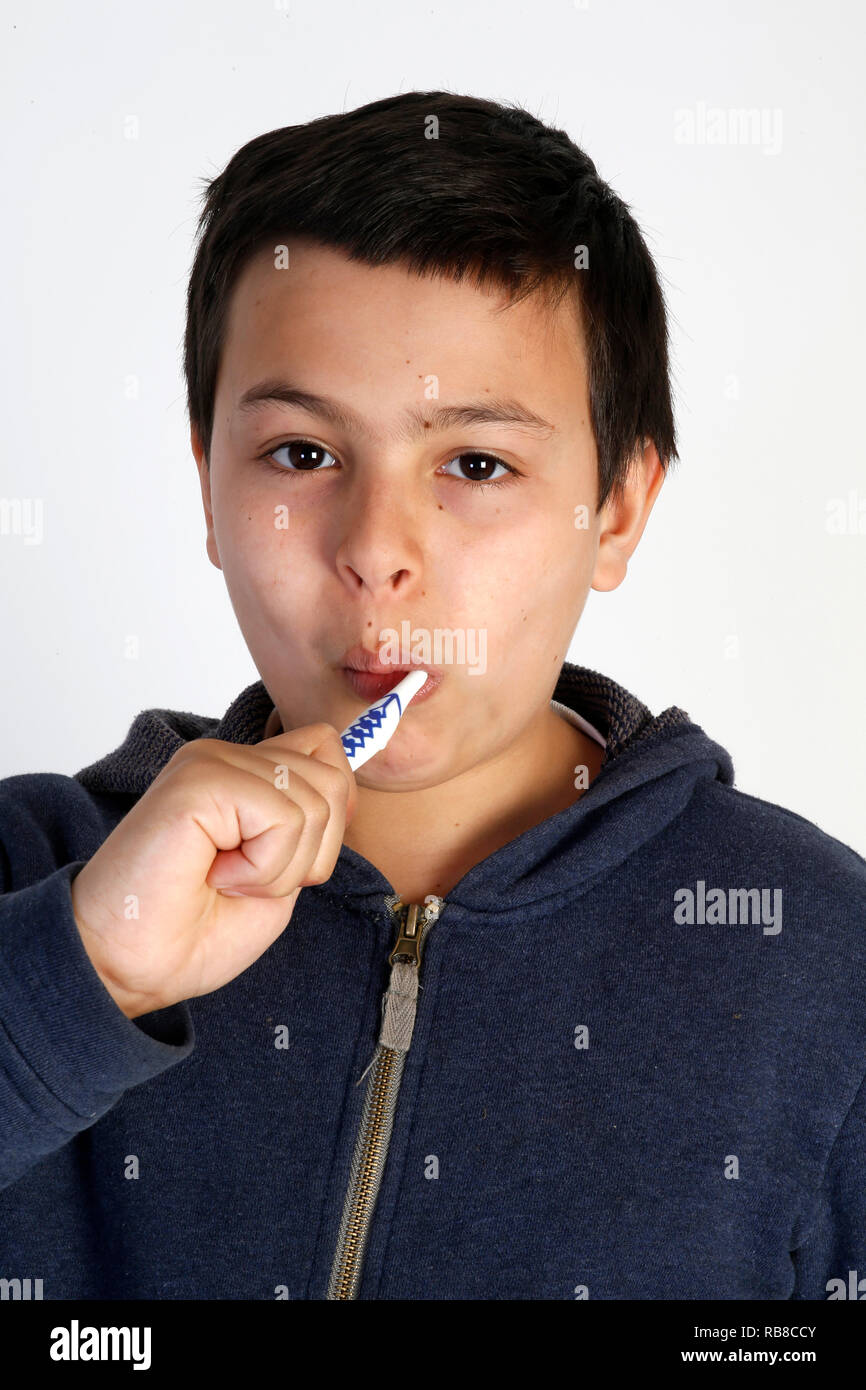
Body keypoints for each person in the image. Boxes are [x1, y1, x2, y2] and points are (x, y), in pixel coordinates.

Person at [1, 90, 863, 1302]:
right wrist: (80, 975)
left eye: (474, 463)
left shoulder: (823, 957)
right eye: (302, 453)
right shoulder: (30, 872)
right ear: (207, 485)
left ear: (614, 509)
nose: (376, 548)